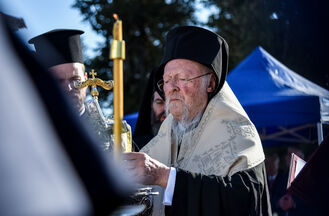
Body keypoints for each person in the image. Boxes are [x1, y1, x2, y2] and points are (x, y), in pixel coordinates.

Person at [121, 26, 271, 216]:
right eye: (166, 80)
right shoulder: (166, 135)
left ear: (210, 84)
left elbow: (243, 201)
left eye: (183, 78)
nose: (172, 88)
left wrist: (164, 176)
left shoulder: (238, 134)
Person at [28, 29, 88, 115]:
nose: (68, 88)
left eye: (75, 79)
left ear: (86, 79)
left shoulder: (109, 127)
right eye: (59, 81)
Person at [134, 70, 167, 150]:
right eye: (159, 102)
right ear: (151, 106)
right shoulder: (136, 148)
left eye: (171, 102)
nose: (166, 109)